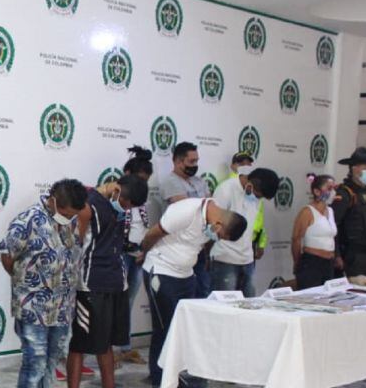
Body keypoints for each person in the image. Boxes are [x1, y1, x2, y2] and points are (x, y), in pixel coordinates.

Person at [0, 179, 86, 388]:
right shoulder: (27, 220)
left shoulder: (71, 221)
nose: (69, 218)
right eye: (66, 213)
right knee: (34, 359)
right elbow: (7, 255)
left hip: (62, 306)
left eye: (73, 215)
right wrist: (27, 284)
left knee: (51, 360)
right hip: (33, 305)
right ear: (53, 201)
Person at [63, 175, 150, 388]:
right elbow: (74, 245)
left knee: (108, 341)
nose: (126, 209)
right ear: (117, 190)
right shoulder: (87, 206)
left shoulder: (120, 207)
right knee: (80, 343)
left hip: (117, 281)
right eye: (126, 204)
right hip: (90, 284)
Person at [141, 198, 247, 388]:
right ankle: (159, 381)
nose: (217, 239)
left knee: (181, 330)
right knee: (164, 329)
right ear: (218, 225)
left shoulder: (212, 220)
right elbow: (154, 233)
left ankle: (174, 376)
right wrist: (144, 253)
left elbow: (200, 244)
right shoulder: (186, 211)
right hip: (161, 271)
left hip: (186, 276)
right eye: (220, 236)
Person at [210, 166, 280, 296]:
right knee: (225, 305)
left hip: (247, 259)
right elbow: (213, 224)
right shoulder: (226, 190)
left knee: (249, 304)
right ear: (251, 184)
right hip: (224, 259)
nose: (258, 199)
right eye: (258, 195)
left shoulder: (254, 195)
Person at [115, 146, 153, 365]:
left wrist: (144, 250)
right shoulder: (117, 199)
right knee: (115, 302)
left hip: (139, 254)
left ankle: (125, 347)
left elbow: (144, 228)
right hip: (121, 254)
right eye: (140, 180)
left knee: (128, 302)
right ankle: (109, 350)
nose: (143, 185)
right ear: (128, 175)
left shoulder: (142, 200)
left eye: (146, 181)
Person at [158, 141, 212, 297]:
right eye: (191, 161)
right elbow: (186, 210)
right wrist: (205, 207)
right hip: (179, 247)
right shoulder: (170, 182)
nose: (195, 165)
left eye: (196, 161)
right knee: (183, 294)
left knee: (203, 290)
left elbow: (211, 207)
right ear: (178, 161)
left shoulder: (199, 181)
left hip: (200, 245)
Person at [333, 147, 366, 280]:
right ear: (354, 168)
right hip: (352, 256)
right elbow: (333, 226)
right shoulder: (345, 194)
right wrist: (337, 255)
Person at [226, 152, 270, 280]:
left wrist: (261, 242)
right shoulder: (229, 186)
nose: (246, 167)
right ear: (233, 166)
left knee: (246, 285)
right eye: (241, 164)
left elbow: (259, 217)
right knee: (231, 286)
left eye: (249, 164)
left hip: (251, 243)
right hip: (234, 243)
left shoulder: (254, 188)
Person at [291, 174, 338, 290]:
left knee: (328, 296)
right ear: (317, 191)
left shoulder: (330, 211)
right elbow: (296, 239)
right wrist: (297, 262)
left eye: (334, 188)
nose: (333, 192)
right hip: (311, 262)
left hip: (329, 263)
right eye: (329, 188)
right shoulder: (307, 211)